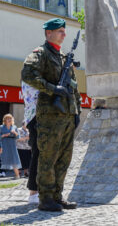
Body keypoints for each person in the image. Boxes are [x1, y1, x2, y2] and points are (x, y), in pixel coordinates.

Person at [21, 18, 81, 211]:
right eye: (60, 31)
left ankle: (57, 196)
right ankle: (45, 199)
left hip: (67, 115)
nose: (64, 34)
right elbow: (28, 74)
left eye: (64, 31)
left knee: (64, 159)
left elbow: (73, 86)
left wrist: (77, 110)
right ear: (49, 33)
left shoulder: (64, 57)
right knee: (48, 158)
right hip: (49, 117)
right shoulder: (41, 54)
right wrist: (52, 88)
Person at [22, 81, 40, 204]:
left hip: (35, 116)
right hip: (35, 116)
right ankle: (33, 192)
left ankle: (36, 191)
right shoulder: (31, 71)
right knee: (37, 154)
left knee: (38, 154)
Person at [0, 114, 21, 179]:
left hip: (12, 145)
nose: (9, 120)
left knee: (14, 159)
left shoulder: (14, 127)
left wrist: (15, 133)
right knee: (2, 159)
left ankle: (17, 175)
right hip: (3, 144)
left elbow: (18, 137)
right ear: (4, 120)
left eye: (10, 118)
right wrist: (4, 135)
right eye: (7, 118)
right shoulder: (1, 127)